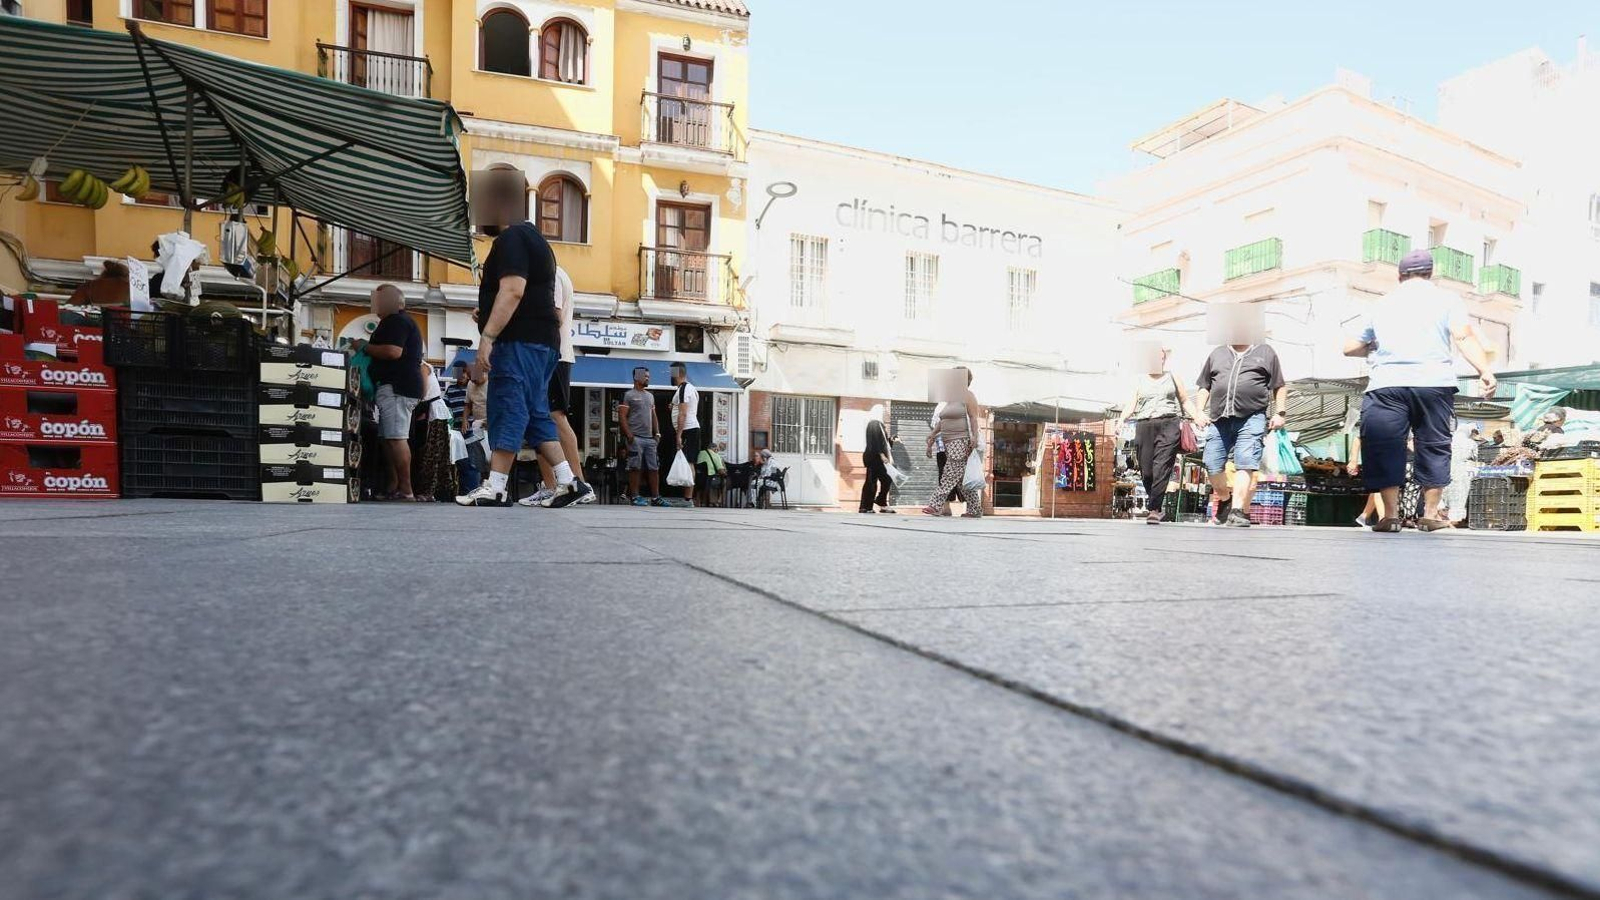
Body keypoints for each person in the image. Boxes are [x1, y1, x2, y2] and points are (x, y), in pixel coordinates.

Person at [1344, 248, 1497, 533]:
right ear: (1430, 274)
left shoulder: (1383, 303)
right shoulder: (1447, 300)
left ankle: (1390, 516)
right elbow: (1463, 336)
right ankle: (1429, 515)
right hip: (1434, 383)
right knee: (1434, 445)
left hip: (1387, 384)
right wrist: (1484, 371)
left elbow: (1349, 347)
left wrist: (1375, 347)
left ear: (1400, 275)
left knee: (1385, 446)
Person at [454, 217, 585, 508]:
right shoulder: (536, 242)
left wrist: (487, 337)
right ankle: (569, 481)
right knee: (536, 412)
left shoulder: (512, 238)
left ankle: (496, 485)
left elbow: (513, 289)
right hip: (541, 343)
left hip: (520, 342)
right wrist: (488, 312)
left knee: (508, 405)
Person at [1194, 330, 1288, 527]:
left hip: (1252, 416)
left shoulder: (1265, 352)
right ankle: (1225, 500)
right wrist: (1199, 411)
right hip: (1219, 418)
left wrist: (1280, 412)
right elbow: (1204, 385)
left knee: (1245, 462)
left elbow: (1279, 385)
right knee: (1212, 463)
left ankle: (1238, 511)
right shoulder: (1217, 353)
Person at [525, 266, 595, 506]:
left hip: (552, 354)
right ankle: (551, 486)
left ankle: (579, 484)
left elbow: (554, 315)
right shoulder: (550, 272)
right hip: (549, 353)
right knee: (539, 417)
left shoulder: (550, 273)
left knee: (554, 416)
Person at [1114, 347, 1202, 524]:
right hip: (1145, 424)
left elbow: (1184, 400)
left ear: (1164, 359)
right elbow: (1132, 403)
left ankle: (1154, 509)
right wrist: (1121, 419)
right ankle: (1157, 506)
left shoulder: (1173, 378)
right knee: (1147, 471)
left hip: (1169, 423)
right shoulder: (1139, 380)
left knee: (1162, 466)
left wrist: (1197, 415)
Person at [365, 284, 424, 501]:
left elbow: (393, 351)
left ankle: (406, 490)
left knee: (396, 437)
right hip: (396, 386)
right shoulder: (397, 322)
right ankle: (396, 487)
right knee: (388, 437)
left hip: (397, 387)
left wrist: (365, 347)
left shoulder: (397, 321)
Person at [923, 367, 984, 518]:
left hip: (961, 441)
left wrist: (974, 437)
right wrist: (932, 434)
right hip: (948, 442)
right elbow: (943, 419)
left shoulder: (968, 396)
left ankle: (935, 505)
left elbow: (973, 418)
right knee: (961, 479)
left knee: (949, 474)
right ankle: (975, 510)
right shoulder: (951, 398)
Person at [619, 366, 663, 507]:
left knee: (654, 468)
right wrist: (629, 435)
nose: (647, 378)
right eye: (645, 376)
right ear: (636, 377)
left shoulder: (650, 396)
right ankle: (635, 497)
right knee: (635, 468)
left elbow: (654, 415)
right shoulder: (628, 395)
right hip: (635, 438)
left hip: (650, 439)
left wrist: (657, 433)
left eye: (648, 376)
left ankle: (656, 498)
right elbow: (622, 416)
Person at [670, 361, 701, 505]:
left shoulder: (684, 389)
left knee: (688, 462)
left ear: (676, 373)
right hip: (690, 429)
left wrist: (679, 435)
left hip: (688, 429)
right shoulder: (690, 389)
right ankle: (687, 498)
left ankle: (688, 499)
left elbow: (683, 413)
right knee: (689, 462)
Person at [859, 404, 896, 514]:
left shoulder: (879, 424)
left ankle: (881, 501)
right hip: (873, 458)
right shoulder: (874, 423)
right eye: (883, 411)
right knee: (871, 482)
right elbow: (874, 442)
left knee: (886, 479)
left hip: (878, 459)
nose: (885, 413)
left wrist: (892, 440)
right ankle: (866, 507)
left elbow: (883, 443)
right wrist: (882, 455)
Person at [697, 441, 729, 507]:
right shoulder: (716, 455)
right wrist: (726, 473)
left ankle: (700, 501)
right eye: (717, 449)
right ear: (714, 449)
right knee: (725, 482)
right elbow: (721, 471)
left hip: (698, 479)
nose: (717, 451)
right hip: (709, 479)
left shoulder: (700, 453)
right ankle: (717, 501)